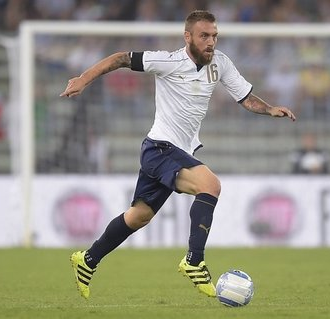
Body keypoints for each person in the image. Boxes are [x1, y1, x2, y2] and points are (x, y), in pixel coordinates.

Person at [60, 10, 296, 300]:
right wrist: (84, 79)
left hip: (175, 151)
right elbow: (121, 57)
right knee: (210, 185)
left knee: (139, 216)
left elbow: (245, 97)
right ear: (188, 37)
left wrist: (270, 108)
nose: (211, 41)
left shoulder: (220, 63)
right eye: (204, 36)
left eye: (214, 35)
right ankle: (194, 260)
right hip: (159, 148)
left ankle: (87, 260)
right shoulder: (168, 61)